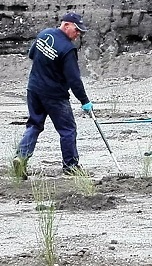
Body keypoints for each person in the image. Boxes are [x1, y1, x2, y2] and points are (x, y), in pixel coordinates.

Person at [13, 12, 93, 179]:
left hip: (33, 89)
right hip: (55, 96)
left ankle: (21, 158)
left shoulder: (44, 34)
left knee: (34, 125)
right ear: (66, 25)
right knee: (68, 130)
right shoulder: (68, 48)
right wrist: (85, 101)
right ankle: (71, 166)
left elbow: (31, 54)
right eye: (76, 30)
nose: (78, 34)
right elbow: (74, 80)